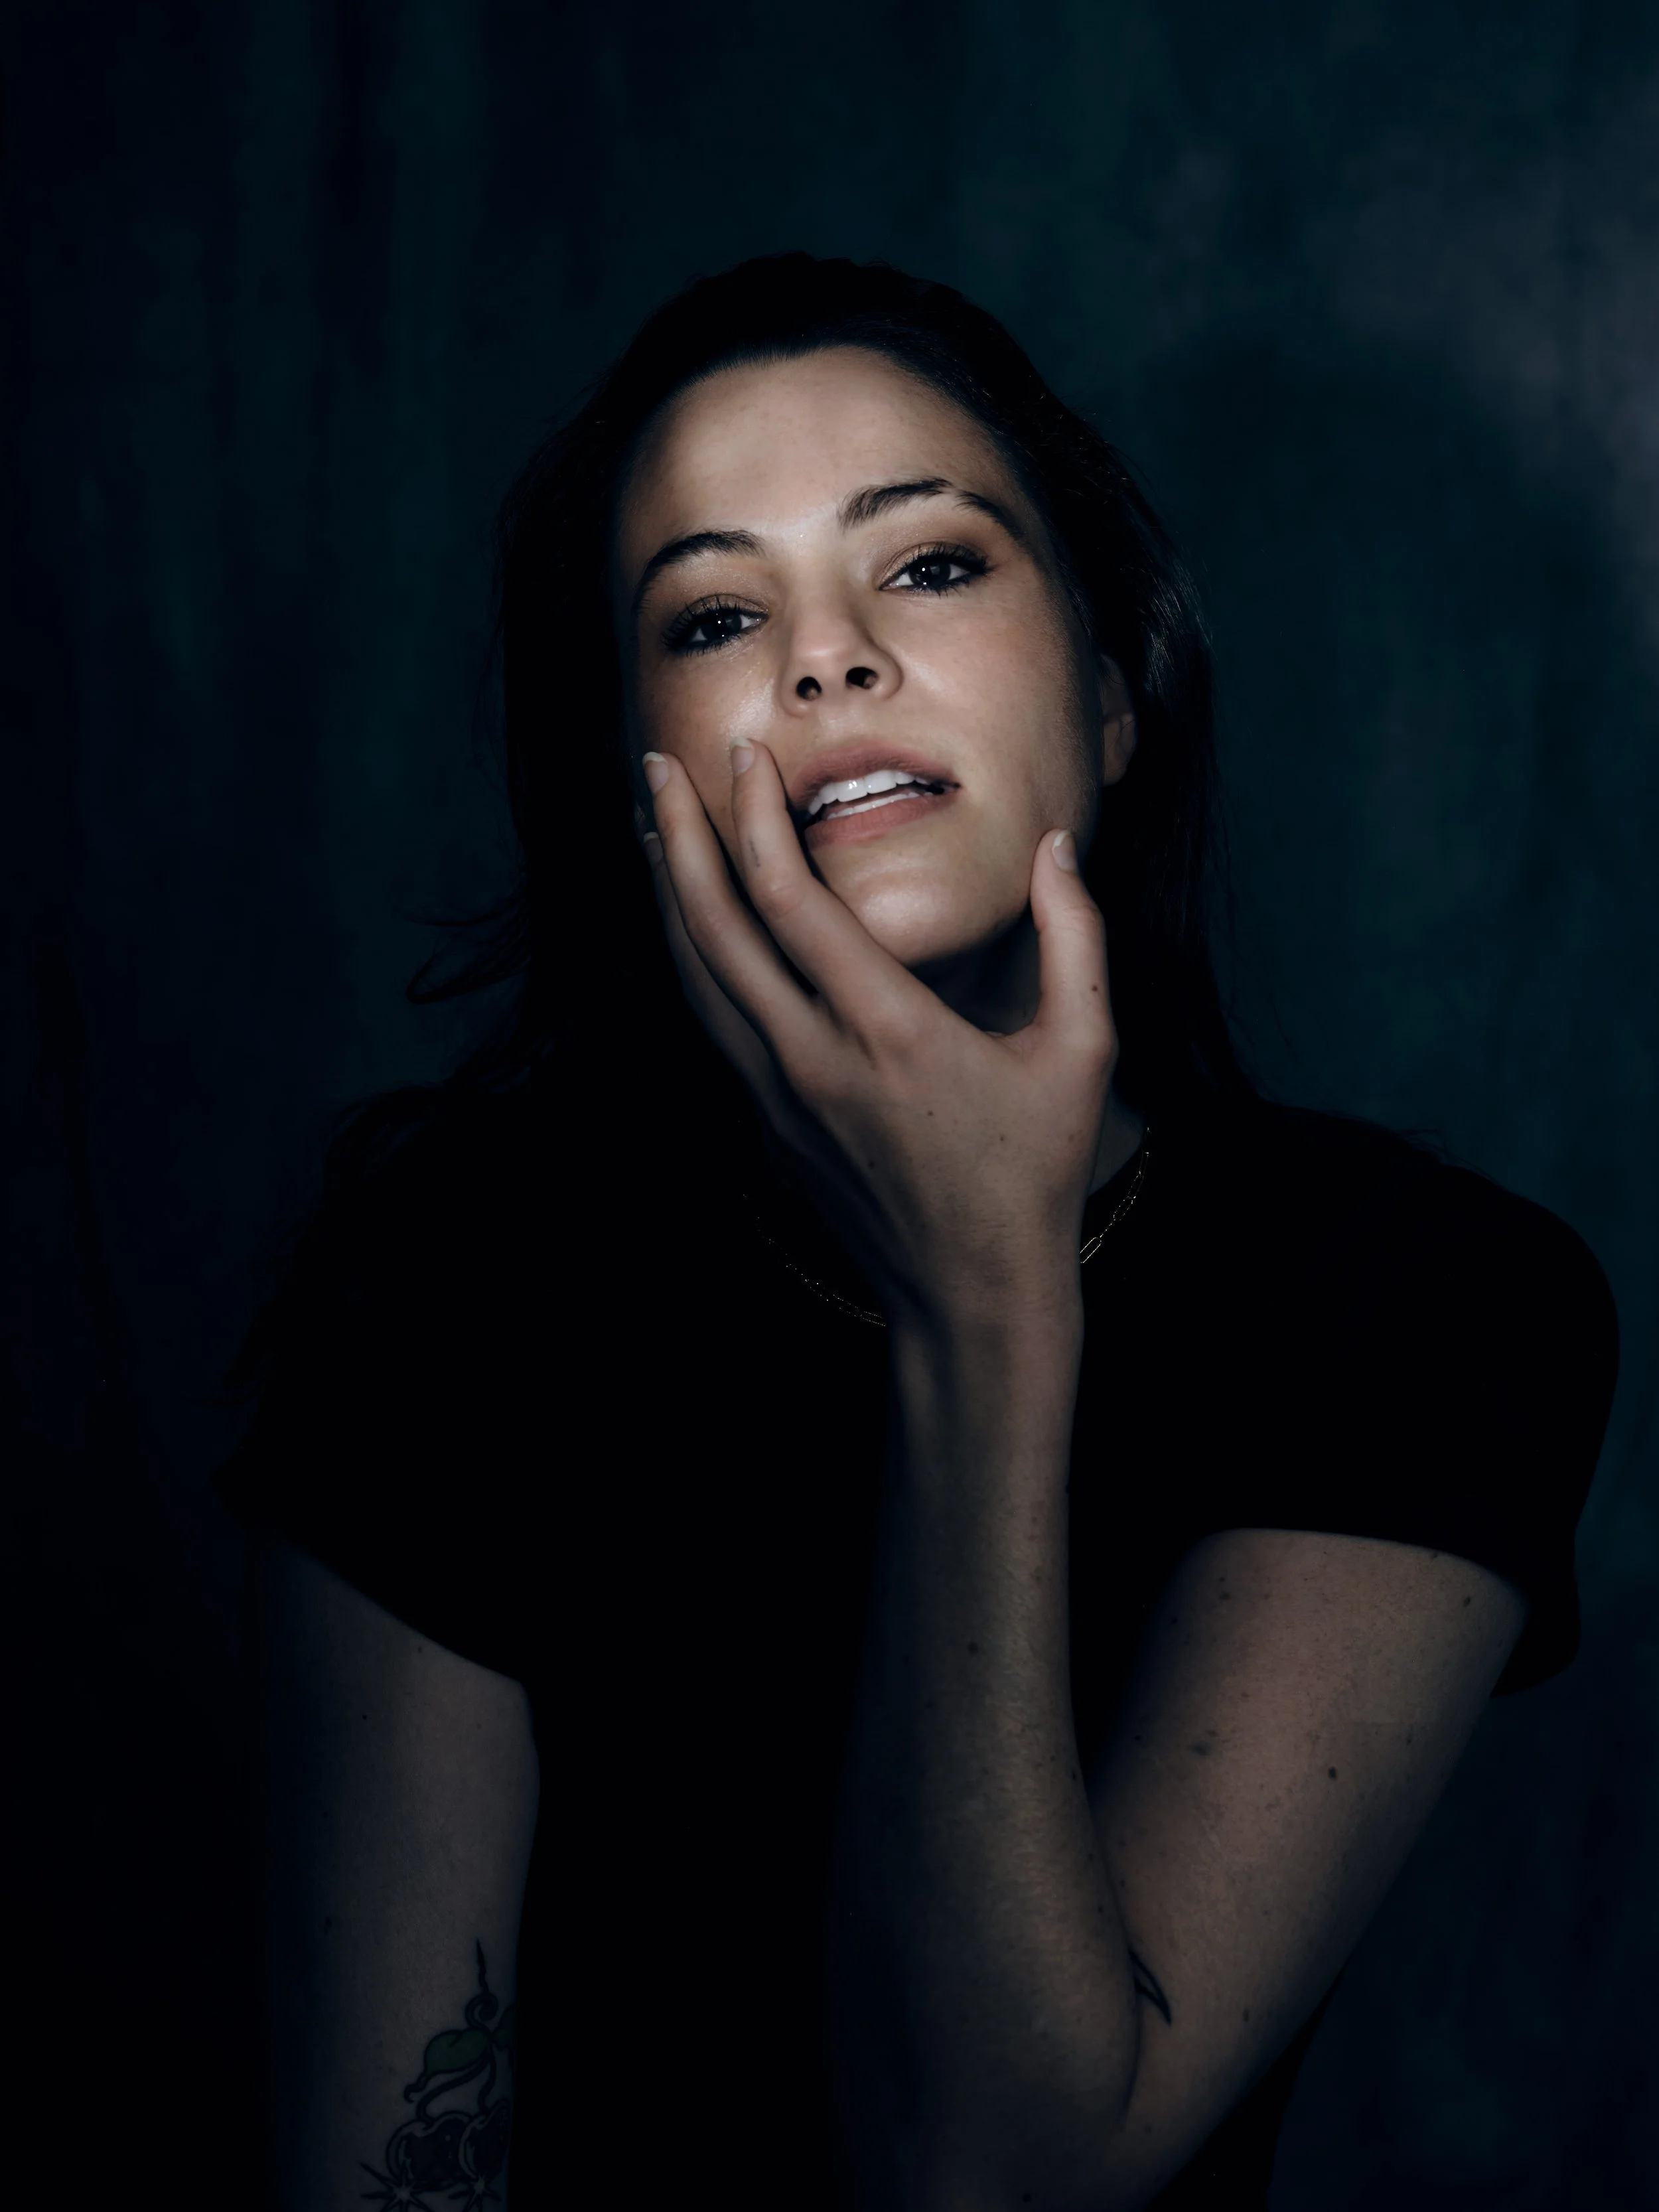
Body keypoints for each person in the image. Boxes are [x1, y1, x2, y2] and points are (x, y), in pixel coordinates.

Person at [220, 254, 1619, 2211]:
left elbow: (990, 2173)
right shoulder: (445, 1286)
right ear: (636, 796)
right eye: (715, 612)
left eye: (933, 564)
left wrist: (984, 1304)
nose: (827, 660)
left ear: (1116, 692)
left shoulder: (1421, 1302)